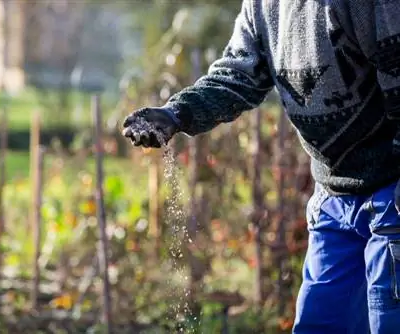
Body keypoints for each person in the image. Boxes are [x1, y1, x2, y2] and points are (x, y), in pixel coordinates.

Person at [122, 1, 400, 333]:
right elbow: (238, 76)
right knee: (319, 323)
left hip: (391, 192)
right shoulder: (264, 6)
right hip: (334, 196)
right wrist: (176, 114)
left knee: (389, 319)